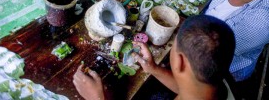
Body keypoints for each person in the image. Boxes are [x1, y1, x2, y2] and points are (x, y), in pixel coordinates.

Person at [73, 15, 236, 100]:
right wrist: (154, 69)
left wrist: (97, 98)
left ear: (179, 62)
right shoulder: (216, 88)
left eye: (174, 47)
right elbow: (188, 88)